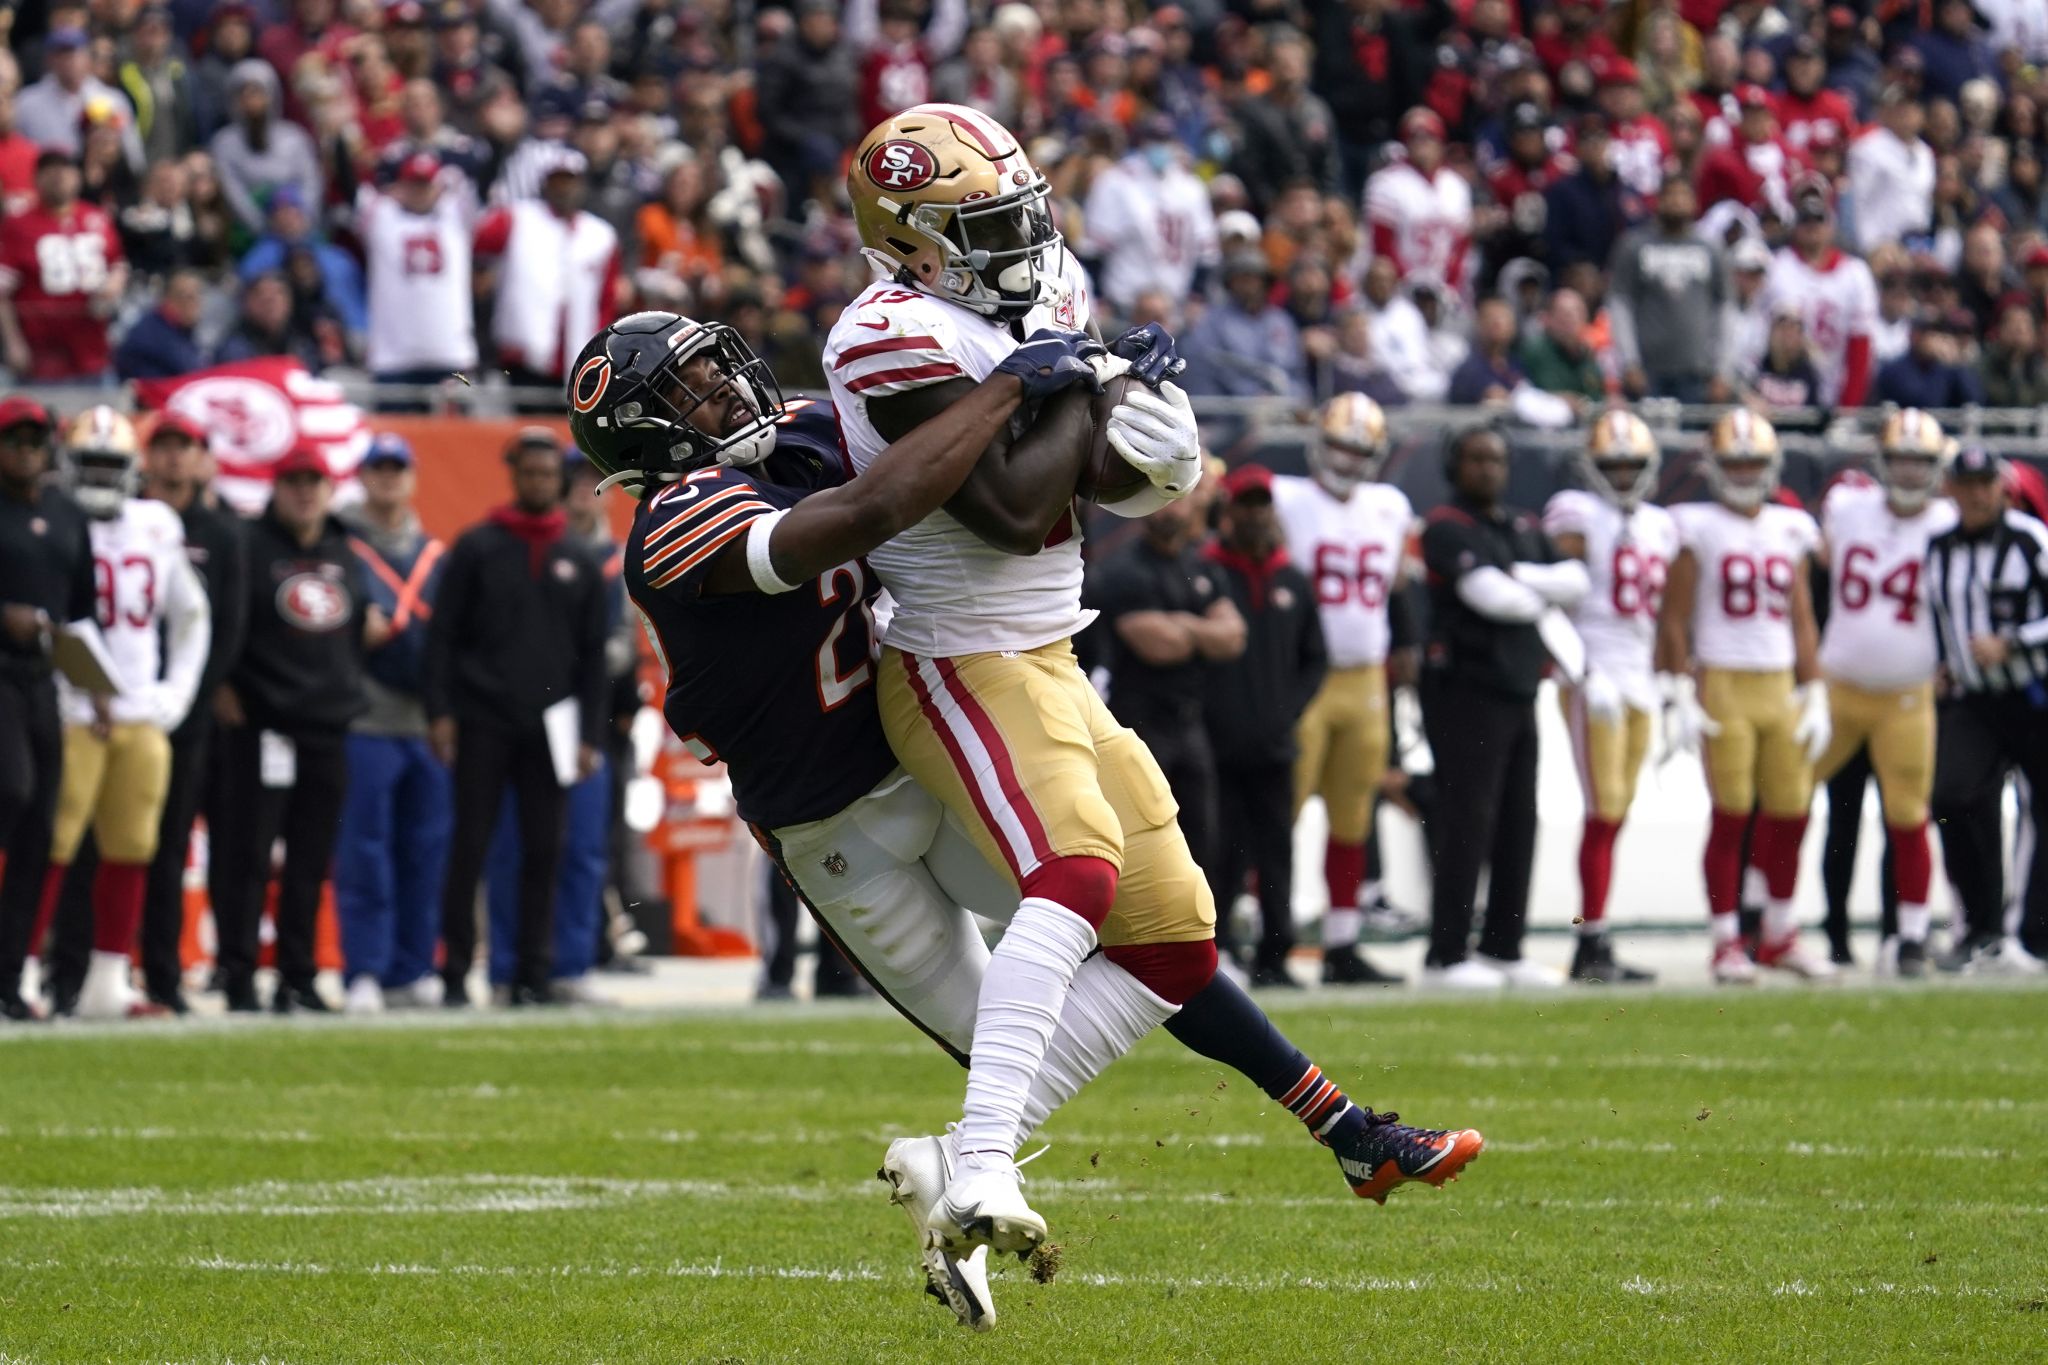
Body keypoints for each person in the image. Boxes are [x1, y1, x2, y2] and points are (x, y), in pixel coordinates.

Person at [571, 307, 1481, 1331]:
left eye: (716, 370)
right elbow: (867, 511)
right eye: (692, 389)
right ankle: (978, 1162)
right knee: (1003, 1047)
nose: (727, 391)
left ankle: (1332, 1127)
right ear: (645, 434)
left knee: (1140, 939)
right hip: (831, 831)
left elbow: (970, 472)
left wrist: (1096, 397)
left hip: (922, 755)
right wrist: (1011, 383)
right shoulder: (672, 524)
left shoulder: (802, 432)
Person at [830, 103, 1476, 1270]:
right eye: (980, 223)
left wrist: (1137, 439)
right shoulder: (885, 331)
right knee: (1074, 873)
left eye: (1017, 215)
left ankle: (982, 1148)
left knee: (1174, 939)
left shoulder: (1035, 296)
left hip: (1047, 650)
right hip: (953, 656)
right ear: (908, 239)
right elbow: (1012, 507)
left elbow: (1087, 485)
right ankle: (981, 1165)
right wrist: (1083, 388)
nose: (1017, 243)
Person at [30, 409, 209, 1019]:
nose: (101, 477)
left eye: (111, 465)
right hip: (69, 711)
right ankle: (22, 969)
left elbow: (191, 615)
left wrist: (175, 693)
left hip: (139, 711)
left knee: (133, 847)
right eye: (90, 464)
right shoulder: (48, 519)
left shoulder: (156, 523)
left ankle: (107, 984)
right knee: (46, 846)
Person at [426, 429, 607, 1007]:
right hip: (481, 718)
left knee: (544, 850)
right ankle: (454, 970)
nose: (539, 484)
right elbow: (442, 638)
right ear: (513, 475)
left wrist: (589, 734)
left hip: (551, 727)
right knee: (470, 846)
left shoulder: (578, 558)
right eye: (529, 473)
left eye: (547, 475)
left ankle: (534, 971)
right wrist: (440, 713)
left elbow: (595, 657)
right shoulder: (478, 546)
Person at [1657, 411, 1833, 984]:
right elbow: (1675, 615)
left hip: (1779, 682)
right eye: (1734, 462)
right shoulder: (1694, 525)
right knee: (1731, 814)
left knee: (1792, 813)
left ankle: (1779, 932)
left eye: (1753, 462)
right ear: (1714, 467)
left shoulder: (1790, 526)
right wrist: (1680, 687)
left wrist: (1815, 688)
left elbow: (1802, 614)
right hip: (1723, 680)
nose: (1744, 472)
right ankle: (1726, 939)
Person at [211, 443, 380, 1013]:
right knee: (249, 857)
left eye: (315, 482)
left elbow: (356, 629)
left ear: (330, 490)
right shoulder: (248, 546)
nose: (305, 492)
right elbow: (225, 622)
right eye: (294, 482)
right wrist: (225, 685)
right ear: (275, 488)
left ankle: (297, 974)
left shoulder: (344, 550)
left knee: (311, 861)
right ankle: (237, 973)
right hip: (263, 725)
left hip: (327, 726)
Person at [1419, 426, 1587, 988]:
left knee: (1519, 819)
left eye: (1496, 459)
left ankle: (1503, 945)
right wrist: (1532, 586)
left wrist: (1521, 575)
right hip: (1466, 692)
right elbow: (1493, 598)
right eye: (1476, 458)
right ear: (1455, 465)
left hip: (1519, 691)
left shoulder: (1521, 525)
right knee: (1468, 818)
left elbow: (1576, 579)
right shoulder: (1444, 526)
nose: (1488, 469)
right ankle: (1447, 952)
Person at [1273, 394, 1413, 985]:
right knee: (1285, 810)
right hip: (1307, 677)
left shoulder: (1390, 507)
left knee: (1355, 816)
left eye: (1359, 449)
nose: (1348, 458)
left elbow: (1400, 587)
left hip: (1368, 679)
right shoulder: (1288, 498)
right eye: (1338, 445)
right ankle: (1268, 938)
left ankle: (1342, 943)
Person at [1809, 411, 1954, 977]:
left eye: (1921, 461)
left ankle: (1910, 936)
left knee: (1907, 818)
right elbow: (1814, 569)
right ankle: (1792, 928)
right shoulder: (1848, 510)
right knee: (1800, 804)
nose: (1911, 472)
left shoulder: (1946, 521)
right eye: (1902, 459)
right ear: (1882, 462)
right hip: (1839, 689)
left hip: (1907, 696)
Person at [1542, 411, 1674, 984]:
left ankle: (1597, 936)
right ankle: (1590, 941)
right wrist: (1581, 668)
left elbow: (1663, 612)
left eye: (1632, 465)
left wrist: (1674, 680)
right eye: (1612, 465)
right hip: (1593, 679)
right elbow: (1549, 599)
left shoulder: (1662, 525)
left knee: (1616, 813)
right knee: (1603, 811)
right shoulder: (1578, 513)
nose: (1622, 475)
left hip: (1640, 678)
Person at [333, 434, 449, 1014]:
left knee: (424, 851)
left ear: (412, 476)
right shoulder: (341, 547)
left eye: (396, 468)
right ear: (362, 476)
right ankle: (365, 969)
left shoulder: (433, 553)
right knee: (365, 852)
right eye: (376, 468)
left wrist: (444, 712)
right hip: (366, 716)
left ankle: (413, 965)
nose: (387, 478)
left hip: (422, 720)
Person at [134, 411, 245, 1015]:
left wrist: (188, 695)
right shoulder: (121, 519)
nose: (175, 458)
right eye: (166, 446)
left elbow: (226, 625)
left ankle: (162, 972)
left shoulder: (222, 533)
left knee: (173, 842)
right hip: (120, 705)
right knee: (110, 842)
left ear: (203, 458)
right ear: (147, 457)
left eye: (187, 447)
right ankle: (89, 966)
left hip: (186, 714)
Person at [1201, 462, 1326, 987]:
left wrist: (1286, 710)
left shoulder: (1292, 579)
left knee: (1276, 853)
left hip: (1274, 744)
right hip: (1219, 745)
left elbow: (1314, 658)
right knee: (1220, 853)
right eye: (1245, 504)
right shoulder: (1207, 574)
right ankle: (1219, 949)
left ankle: (1276, 954)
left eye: (1261, 504)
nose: (1255, 515)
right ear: (1228, 511)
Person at [1925, 446, 2048, 972]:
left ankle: (2032, 937)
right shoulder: (1938, 548)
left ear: (2000, 487)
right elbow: (1940, 616)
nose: (1976, 494)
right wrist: (1943, 663)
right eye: (1966, 483)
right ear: (1950, 489)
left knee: (2040, 815)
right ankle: (1982, 926)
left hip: (2035, 695)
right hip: (1974, 700)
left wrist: (2014, 642)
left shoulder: (2029, 540)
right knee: (1951, 796)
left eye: (1984, 484)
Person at [1088, 490, 1244, 896]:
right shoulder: (1124, 569)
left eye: (1178, 498)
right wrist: (1201, 627)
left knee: (1201, 840)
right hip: (1137, 723)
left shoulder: (1199, 564)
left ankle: (1204, 945)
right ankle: (1126, 946)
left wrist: (1182, 625)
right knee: (1140, 839)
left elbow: (1234, 636)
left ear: (1196, 504)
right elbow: (1159, 647)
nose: (1169, 509)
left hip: (1190, 721)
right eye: (1160, 499)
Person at [0, 399, 96, 1023]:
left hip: (43, 679)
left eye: (38, 439)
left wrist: (97, 690)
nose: (28, 449)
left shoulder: (66, 515)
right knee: (11, 790)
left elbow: (81, 609)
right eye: (16, 438)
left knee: (40, 824)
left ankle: (9, 977)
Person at [473, 151, 620, 406]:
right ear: (545, 184)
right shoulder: (518, 217)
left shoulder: (601, 235)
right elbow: (477, 246)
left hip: (577, 357)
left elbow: (606, 301)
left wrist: (599, 353)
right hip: (522, 354)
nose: (564, 189)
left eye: (570, 181)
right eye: (557, 181)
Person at [0, 151, 128, 383]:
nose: (58, 176)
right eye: (50, 170)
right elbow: (2, 292)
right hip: (42, 354)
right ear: (36, 178)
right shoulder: (18, 225)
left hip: (93, 349)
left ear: (77, 176)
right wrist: (14, 343)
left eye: (65, 169)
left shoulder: (96, 218)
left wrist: (113, 284)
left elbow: (118, 264)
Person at [360, 151, 477, 398]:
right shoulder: (382, 218)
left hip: (451, 353)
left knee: (454, 434)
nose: (420, 191)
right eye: (413, 184)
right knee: (394, 433)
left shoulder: (455, 218)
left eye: (426, 184)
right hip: (392, 357)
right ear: (400, 186)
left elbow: (481, 181)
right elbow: (355, 187)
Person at [1079, 113, 1218, 318]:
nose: (1160, 147)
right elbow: (1092, 250)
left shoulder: (1191, 186)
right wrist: (1098, 298)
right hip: (1124, 306)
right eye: (1154, 140)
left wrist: (1197, 296)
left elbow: (1206, 251)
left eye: (1165, 140)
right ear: (1142, 142)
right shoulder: (1115, 181)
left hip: (1176, 308)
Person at [1607, 177, 1728, 403]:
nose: (1677, 201)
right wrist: (1629, 362)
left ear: (1694, 202)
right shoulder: (1634, 245)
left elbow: (1725, 310)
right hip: (1647, 372)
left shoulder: (1711, 248)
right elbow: (1620, 306)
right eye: (1670, 194)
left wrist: (1723, 370)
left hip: (1697, 372)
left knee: (1693, 438)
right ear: (1658, 201)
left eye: (1683, 195)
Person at [1763, 190, 1877, 407]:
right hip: (1785, 390)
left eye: (1819, 219)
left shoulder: (1855, 273)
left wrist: (1849, 406)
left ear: (1831, 225)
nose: (1812, 226)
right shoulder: (1777, 266)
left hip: (1835, 382)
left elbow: (1860, 345)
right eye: (1805, 220)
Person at [1363, 108, 1472, 296]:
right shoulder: (1385, 183)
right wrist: (1408, 286)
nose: (1422, 144)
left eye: (1429, 137)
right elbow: (1382, 246)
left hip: (1447, 292)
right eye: (1415, 138)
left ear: (1441, 142)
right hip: (1399, 291)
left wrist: (1450, 286)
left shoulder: (1456, 186)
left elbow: (1461, 245)